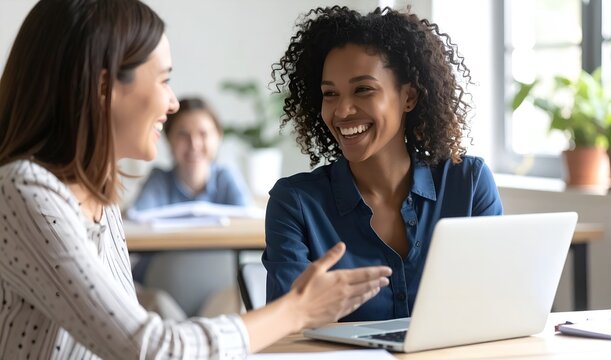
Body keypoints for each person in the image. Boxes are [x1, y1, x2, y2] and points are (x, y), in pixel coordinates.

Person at [0, 1, 392, 358]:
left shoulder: (99, 195)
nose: (172, 103)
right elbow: (147, 347)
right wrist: (296, 310)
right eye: (163, 80)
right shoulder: (25, 190)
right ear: (104, 88)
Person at [263, 6, 503, 322]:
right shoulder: (295, 203)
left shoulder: (468, 183)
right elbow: (285, 333)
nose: (343, 110)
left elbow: (500, 306)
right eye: (330, 94)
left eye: (363, 89)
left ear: (409, 97)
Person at [130, 97, 251, 317]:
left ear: (218, 137)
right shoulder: (158, 180)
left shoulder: (226, 177)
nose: (194, 144)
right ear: (168, 139)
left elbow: (248, 222)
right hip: (161, 299)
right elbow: (136, 219)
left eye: (203, 134)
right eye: (183, 135)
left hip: (217, 300)